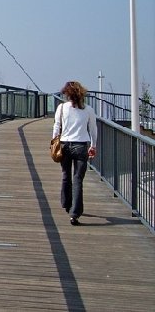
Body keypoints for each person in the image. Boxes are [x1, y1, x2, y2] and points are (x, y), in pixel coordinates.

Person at [52, 80, 98, 226]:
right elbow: (93, 130)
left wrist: (54, 143)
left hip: (65, 145)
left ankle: (66, 203)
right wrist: (93, 145)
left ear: (67, 94)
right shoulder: (88, 110)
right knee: (78, 179)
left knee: (66, 175)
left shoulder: (62, 108)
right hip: (81, 146)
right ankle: (75, 214)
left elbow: (57, 126)